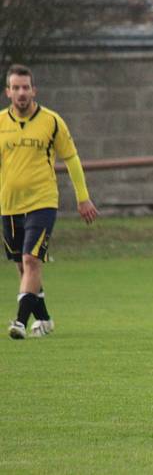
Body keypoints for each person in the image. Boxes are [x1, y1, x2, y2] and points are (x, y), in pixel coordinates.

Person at [2, 64, 98, 340]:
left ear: (34, 90)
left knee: (31, 259)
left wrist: (83, 198)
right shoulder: (0, 124)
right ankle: (43, 318)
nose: (22, 93)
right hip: (9, 205)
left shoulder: (52, 122)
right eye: (16, 88)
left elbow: (71, 158)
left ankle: (19, 322)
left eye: (26, 87)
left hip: (42, 202)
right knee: (23, 267)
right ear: (8, 91)